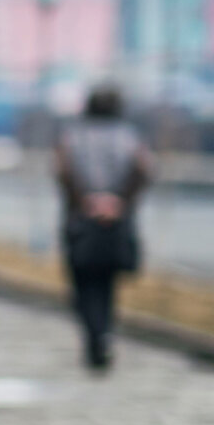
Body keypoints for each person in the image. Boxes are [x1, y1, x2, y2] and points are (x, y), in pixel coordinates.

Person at [56, 84, 150, 369]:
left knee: (83, 285)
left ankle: (95, 335)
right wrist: (117, 202)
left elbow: (63, 172)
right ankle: (105, 333)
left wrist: (87, 202)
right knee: (107, 285)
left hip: (81, 223)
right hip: (116, 223)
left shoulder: (71, 136)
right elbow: (143, 170)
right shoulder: (130, 137)